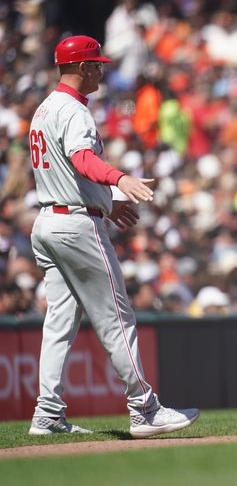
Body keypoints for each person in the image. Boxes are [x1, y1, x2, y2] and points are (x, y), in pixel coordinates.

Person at [27, 35, 199, 438]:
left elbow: (63, 172)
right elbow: (81, 160)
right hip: (75, 227)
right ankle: (145, 408)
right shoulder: (73, 110)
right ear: (84, 68)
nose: (102, 69)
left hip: (49, 220)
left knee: (60, 322)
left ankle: (47, 414)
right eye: (97, 64)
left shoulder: (44, 108)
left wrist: (107, 202)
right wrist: (119, 179)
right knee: (116, 318)